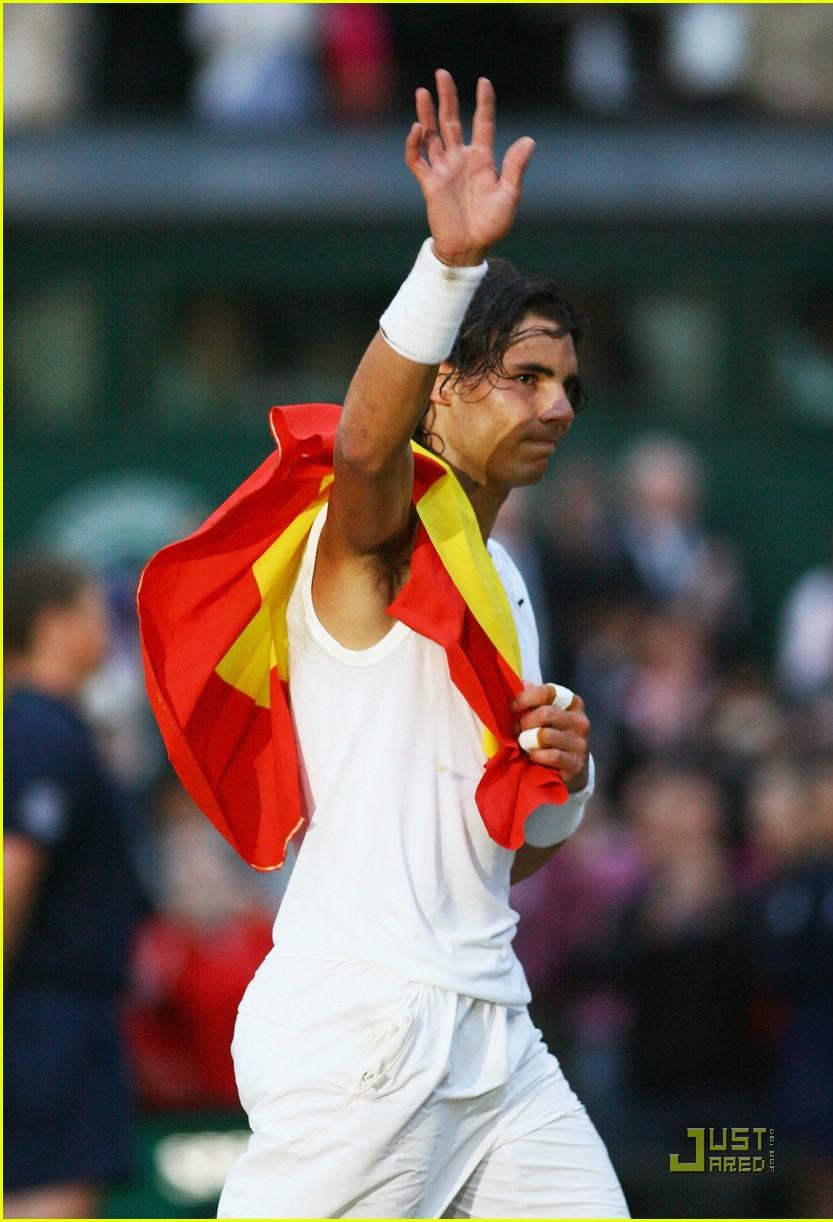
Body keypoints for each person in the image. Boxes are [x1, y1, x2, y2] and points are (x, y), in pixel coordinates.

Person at [139, 69, 628, 1218]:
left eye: (566, 383)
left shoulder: (500, 572)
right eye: (524, 376)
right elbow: (360, 449)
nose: (556, 406)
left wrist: (568, 775)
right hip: (372, 1032)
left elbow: (499, 851)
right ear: (443, 393)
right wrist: (446, 264)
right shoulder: (381, 528)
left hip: (490, 1031)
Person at [4, 556, 143, 1218]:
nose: (107, 627)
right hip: (42, 1026)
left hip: (55, 1019)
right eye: (94, 611)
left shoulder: (47, 728)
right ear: (53, 624)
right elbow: (12, 871)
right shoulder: (39, 732)